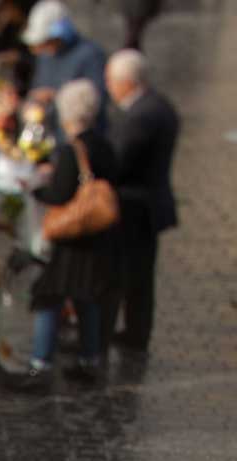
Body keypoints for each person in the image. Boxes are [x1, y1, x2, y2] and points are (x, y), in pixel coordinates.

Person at [11, 79, 119, 389]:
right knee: (87, 298)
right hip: (98, 235)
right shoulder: (105, 145)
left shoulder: (74, 150)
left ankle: (39, 365)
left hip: (74, 238)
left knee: (50, 295)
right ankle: (89, 359)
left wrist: (37, 188)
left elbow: (58, 196)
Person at [103, 49, 178, 360]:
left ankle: (133, 334)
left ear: (126, 82)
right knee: (139, 275)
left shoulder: (143, 115)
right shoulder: (154, 106)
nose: (108, 87)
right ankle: (134, 331)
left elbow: (120, 162)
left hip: (137, 208)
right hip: (146, 203)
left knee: (133, 274)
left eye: (111, 81)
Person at [25, 0, 108, 134]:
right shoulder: (45, 57)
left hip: (82, 138)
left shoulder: (90, 55)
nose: (45, 47)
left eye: (48, 41)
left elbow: (97, 99)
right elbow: (37, 87)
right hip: (51, 135)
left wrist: (57, 95)